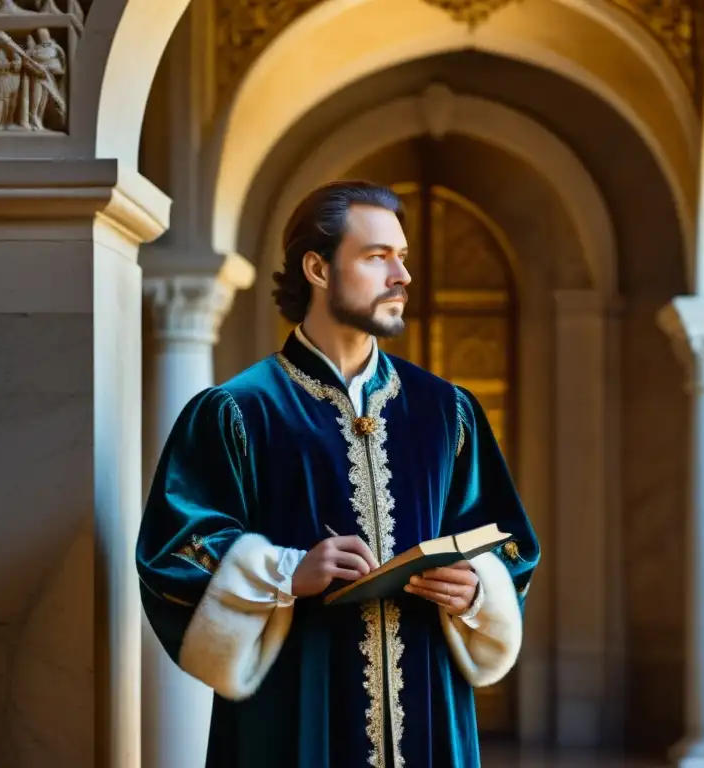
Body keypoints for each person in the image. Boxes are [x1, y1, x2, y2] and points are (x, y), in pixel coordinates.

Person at [136, 180, 540, 767]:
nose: (402, 275)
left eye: (402, 257)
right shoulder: (237, 412)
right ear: (317, 268)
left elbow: (509, 544)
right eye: (378, 257)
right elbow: (172, 555)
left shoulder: (446, 411)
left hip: (428, 706)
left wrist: (479, 587)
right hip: (293, 710)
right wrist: (285, 573)